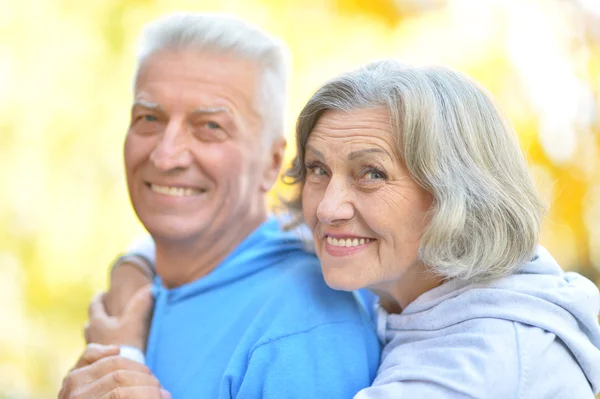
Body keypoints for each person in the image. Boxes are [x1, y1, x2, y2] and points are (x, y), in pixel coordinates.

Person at [90, 60, 600, 398]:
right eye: (317, 170)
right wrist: (133, 276)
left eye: (371, 174)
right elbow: (200, 234)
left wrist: (124, 363)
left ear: (453, 194)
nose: (329, 208)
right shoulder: (443, 276)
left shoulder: (467, 368)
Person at [58, 12, 381, 399]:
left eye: (210, 126)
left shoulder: (303, 327)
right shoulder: (146, 290)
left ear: (272, 163)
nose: (166, 155)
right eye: (149, 118)